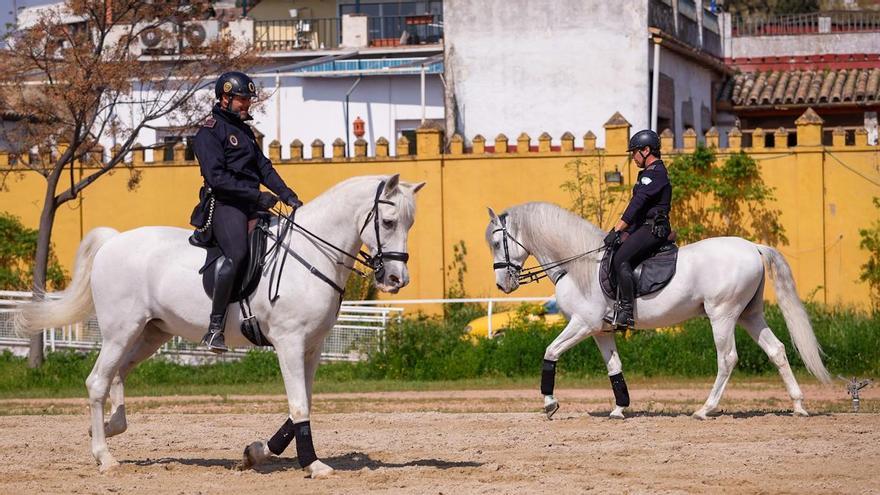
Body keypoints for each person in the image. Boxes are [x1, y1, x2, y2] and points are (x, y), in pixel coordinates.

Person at [191, 71, 302, 353]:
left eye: (248, 100)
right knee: (238, 253)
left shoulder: (244, 130)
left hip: (252, 202)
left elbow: (263, 167)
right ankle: (215, 328)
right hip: (226, 204)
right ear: (225, 97)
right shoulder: (208, 132)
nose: (247, 105)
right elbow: (217, 179)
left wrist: (287, 194)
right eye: (242, 100)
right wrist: (257, 196)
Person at [603, 129, 672, 330]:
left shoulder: (655, 173)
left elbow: (636, 205)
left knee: (620, 259)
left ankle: (626, 311)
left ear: (646, 150)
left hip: (653, 229)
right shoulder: (649, 174)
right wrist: (623, 234)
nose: (633, 157)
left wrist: (617, 229)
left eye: (634, 152)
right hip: (642, 227)